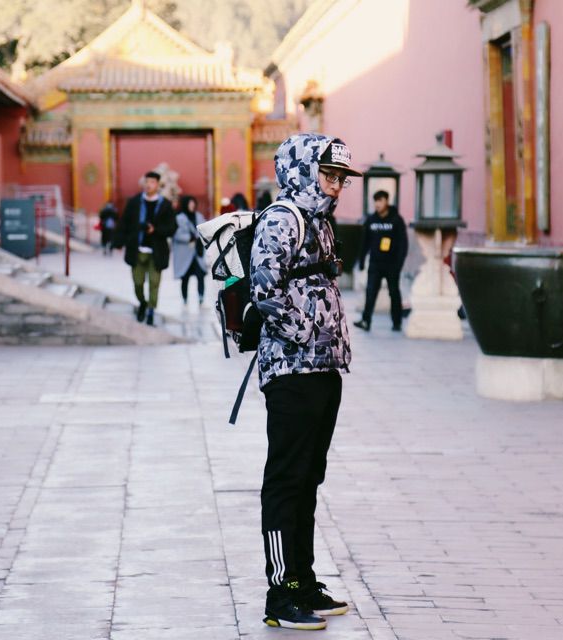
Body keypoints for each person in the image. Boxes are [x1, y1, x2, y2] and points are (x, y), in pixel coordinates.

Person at [250, 134, 360, 630]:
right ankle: (280, 592)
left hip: (323, 369)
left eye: (341, 179)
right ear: (302, 170)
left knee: (309, 478)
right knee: (286, 479)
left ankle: (304, 580)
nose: (336, 186)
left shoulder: (320, 223)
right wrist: (306, 333)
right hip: (291, 371)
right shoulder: (282, 219)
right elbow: (265, 291)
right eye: (328, 175)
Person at [113, 170, 176, 326]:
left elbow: (172, 227)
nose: (149, 185)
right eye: (147, 182)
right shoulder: (134, 202)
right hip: (137, 250)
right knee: (138, 283)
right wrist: (119, 242)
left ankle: (151, 311)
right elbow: (124, 222)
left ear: (158, 185)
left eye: (152, 182)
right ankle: (142, 302)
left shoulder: (165, 205)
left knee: (154, 283)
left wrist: (156, 230)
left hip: (157, 251)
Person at [354, 190, 408, 332]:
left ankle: (397, 322)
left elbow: (403, 244)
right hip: (375, 264)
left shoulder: (396, 220)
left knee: (394, 293)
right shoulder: (371, 220)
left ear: (386, 201)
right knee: (370, 292)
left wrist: (399, 264)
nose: (377, 204)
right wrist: (361, 261)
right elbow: (364, 242)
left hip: (392, 264)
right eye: (376, 201)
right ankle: (366, 321)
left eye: (380, 200)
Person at [172, 195, 207, 306]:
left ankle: (201, 297)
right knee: (185, 277)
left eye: (193, 203)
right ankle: (185, 298)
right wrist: (190, 237)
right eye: (190, 203)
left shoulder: (199, 216)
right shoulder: (179, 218)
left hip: (197, 253)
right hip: (185, 253)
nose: (192, 206)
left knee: (200, 275)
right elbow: (176, 234)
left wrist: (199, 237)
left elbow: (205, 229)